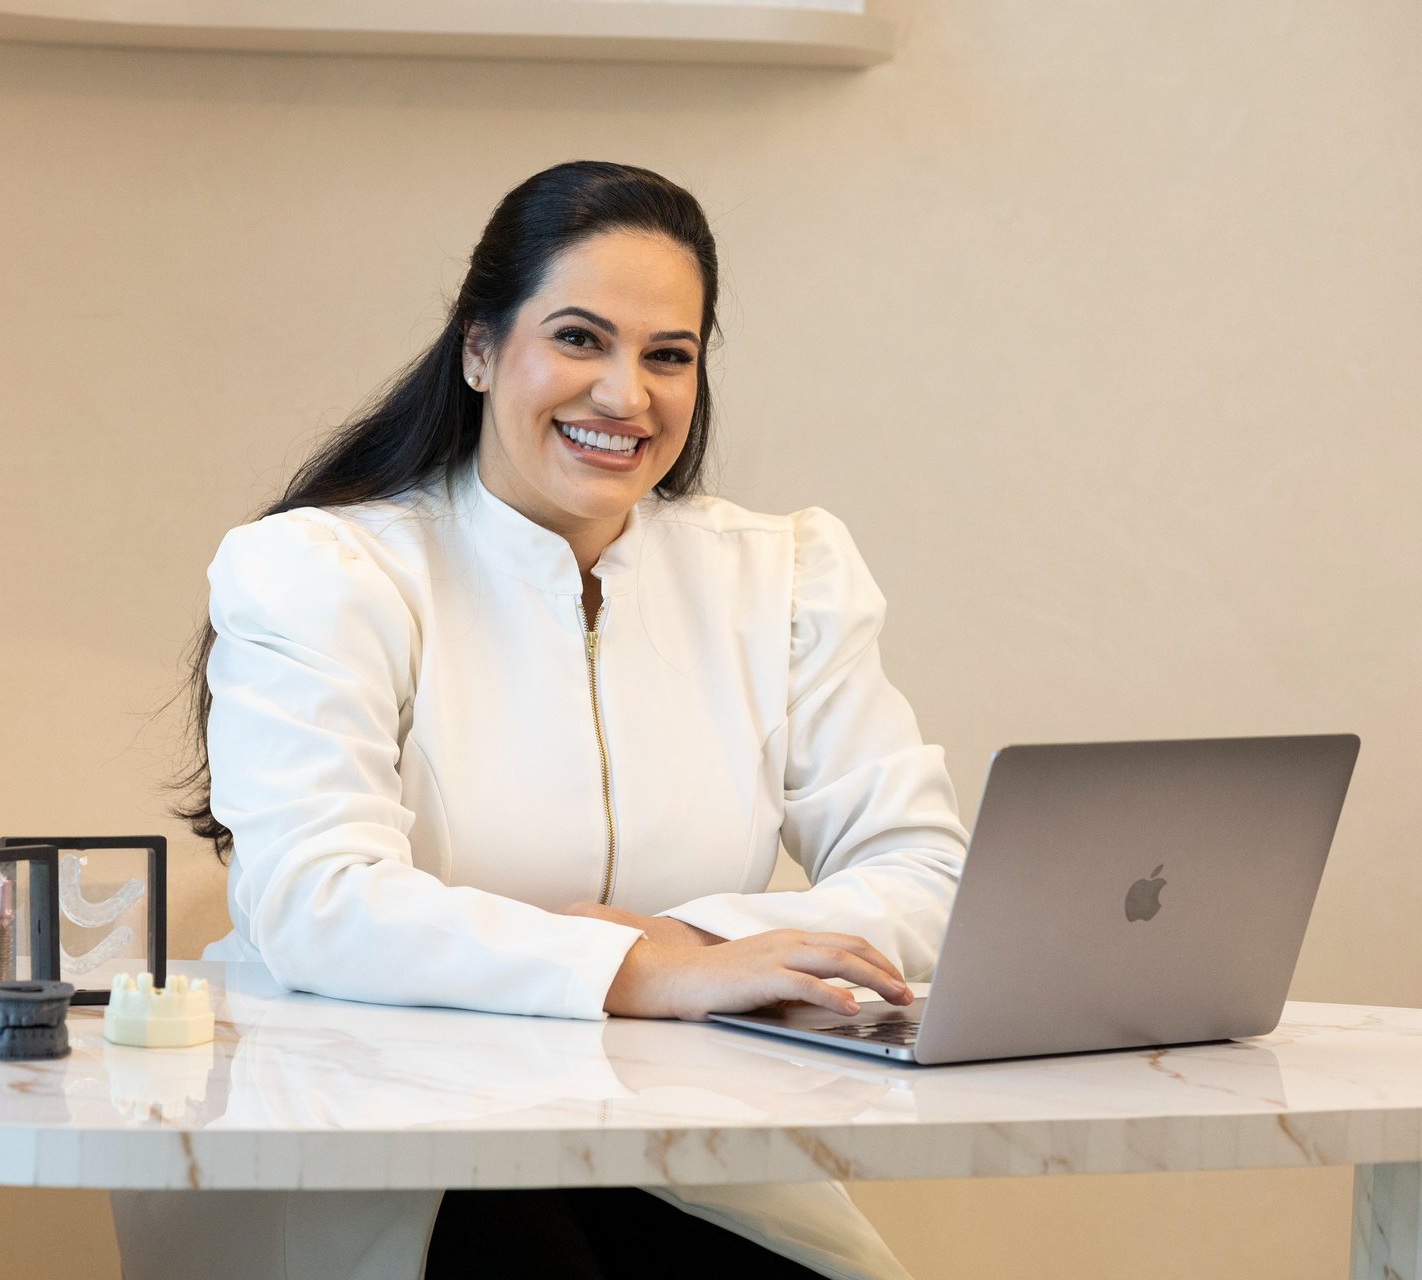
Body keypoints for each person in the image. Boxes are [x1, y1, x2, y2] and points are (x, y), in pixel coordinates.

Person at [115, 160, 971, 1280]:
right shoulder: (324, 570)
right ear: (479, 350)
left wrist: (700, 943)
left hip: (682, 1148)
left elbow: (923, 865)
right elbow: (314, 900)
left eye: (669, 354)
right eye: (580, 338)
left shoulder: (784, 575)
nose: (627, 395)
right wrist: (632, 968)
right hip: (378, 1139)